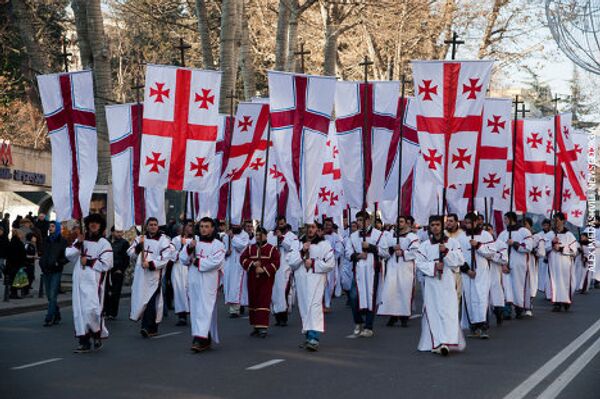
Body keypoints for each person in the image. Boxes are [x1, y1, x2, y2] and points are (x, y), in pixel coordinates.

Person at [416, 215, 466, 356]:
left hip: (447, 281)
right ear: (429, 227)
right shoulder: (424, 246)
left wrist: (446, 252)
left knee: (448, 310)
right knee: (433, 310)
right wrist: (433, 266)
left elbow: (460, 260)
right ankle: (436, 342)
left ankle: (447, 341)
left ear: (442, 226)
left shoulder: (453, 242)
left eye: (438, 224)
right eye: (433, 225)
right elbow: (419, 263)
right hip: (432, 283)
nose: (435, 227)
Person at [65, 214, 113, 353]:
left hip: (94, 282)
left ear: (100, 225)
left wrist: (90, 262)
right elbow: (69, 255)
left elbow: (107, 264)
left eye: (96, 223)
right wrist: (78, 243)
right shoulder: (81, 240)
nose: (93, 225)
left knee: (92, 310)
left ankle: (96, 334)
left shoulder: (104, 243)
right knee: (80, 312)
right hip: (79, 279)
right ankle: (83, 341)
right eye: (91, 222)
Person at [180, 217, 226, 353]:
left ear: (212, 228)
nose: (204, 229)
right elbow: (183, 259)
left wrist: (197, 262)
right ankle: (203, 337)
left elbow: (216, 262)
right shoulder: (194, 242)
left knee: (205, 308)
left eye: (207, 226)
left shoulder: (218, 244)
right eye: (201, 226)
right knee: (195, 308)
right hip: (194, 280)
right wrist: (189, 248)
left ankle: (200, 339)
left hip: (209, 281)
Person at [288, 221, 335, 351]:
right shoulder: (297, 243)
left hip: (317, 280)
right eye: (308, 227)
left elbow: (331, 264)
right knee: (304, 306)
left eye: (313, 227)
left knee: (314, 306)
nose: (310, 230)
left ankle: (314, 337)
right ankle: (309, 336)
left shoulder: (324, 244)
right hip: (302, 280)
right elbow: (291, 262)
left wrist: (314, 264)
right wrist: (302, 251)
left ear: (317, 229)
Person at [129, 217, 173, 338]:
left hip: (154, 275)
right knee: (143, 299)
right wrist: (139, 247)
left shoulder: (163, 240)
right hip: (141, 275)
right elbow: (130, 253)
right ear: (146, 226)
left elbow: (165, 257)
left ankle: (146, 327)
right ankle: (151, 327)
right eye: (150, 224)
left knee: (150, 300)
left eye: (155, 224)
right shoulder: (140, 238)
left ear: (158, 226)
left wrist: (151, 264)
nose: (153, 226)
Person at [345, 211, 387, 338]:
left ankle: (369, 326)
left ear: (368, 221)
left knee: (371, 297)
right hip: (358, 271)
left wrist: (371, 247)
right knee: (353, 296)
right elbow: (347, 252)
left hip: (372, 271)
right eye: (357, 220)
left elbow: (385, 252)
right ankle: (358, 322)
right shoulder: (353, 236)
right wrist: (357, 255)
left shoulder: (378, 235)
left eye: (362, 220)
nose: (359, 223)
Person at [457, 212, 496, 339]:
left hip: (482, 272)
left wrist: (478, 246)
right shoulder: (461, 238)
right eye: (466, 223)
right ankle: (473, 327)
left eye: (470, 223)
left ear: (476, 222)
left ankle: (483, 326)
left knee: (481, 297)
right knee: (468, 297)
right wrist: (467, 270)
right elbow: (458, 257)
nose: (467, 225)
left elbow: (491, 253)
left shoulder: (486, 235)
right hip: (468, 273)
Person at [378, 215, 420, 327]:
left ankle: (404, 316)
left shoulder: (412, 236)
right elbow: (383, 251)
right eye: (398, 221)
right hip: (392, 266)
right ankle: (393, 315)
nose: (399, 224)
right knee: (391, 290)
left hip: (406, 267)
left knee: (404, 291)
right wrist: (392, 249)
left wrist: (403, 253)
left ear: (407, 223)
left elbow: (416, 252)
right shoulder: (390, 236)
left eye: (401, 221)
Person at [240, 227, 280, 338]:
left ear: (266, 236)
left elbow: (276, 263)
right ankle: (256, 326)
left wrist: (264, 269)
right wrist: (252, 264)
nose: (258, 237)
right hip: (252, 280)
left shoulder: (272, 249)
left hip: (265, 281)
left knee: (263, 301)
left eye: (261, 235)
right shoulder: (250, 248)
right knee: (253, 301)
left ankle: (263, 327)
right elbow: (242, 259)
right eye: (257, 235)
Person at [497, 212, 532, 319]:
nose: (504, 221)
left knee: (518, 287)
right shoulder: (503, 234)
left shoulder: (524, 231)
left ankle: (519, 308)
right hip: (505, 265)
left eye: (506, 219)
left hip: (519, 264)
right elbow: (498, 250)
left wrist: (514, 243)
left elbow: (528, 247)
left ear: (511, 219)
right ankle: (507, 310)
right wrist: (503, 264)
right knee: (506, 287)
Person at [267, 216, 299, 326]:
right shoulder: (270, 235)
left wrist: (281, 238)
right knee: (273, 292)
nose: (280, 224)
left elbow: (292, 248)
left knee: (283, 291)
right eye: (278, 223)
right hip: (273, 267)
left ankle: (284, 316)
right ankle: (277, 315)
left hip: (285, 267)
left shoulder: (291, 236)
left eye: (282, 223)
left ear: (285, 223)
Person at [39, 221, 68, 326]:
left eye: (52, 226)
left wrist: (58, 263)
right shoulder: (45, 240)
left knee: (52, 295)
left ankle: (49, 317)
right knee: (49, 296)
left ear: (57, 228)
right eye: (49, 226)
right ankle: (57, 315)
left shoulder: (63, 241)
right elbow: (42, 253)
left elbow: (67, 257)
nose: (50, 228)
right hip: (46, 270)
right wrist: (41, 263)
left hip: (56, 271)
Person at [547, 212, 577, 312]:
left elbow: (574, 251)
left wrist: (560, 248)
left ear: (563, 221)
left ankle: (566, 300)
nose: (555, 222)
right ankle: (556, 303)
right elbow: (544, 248)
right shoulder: (550, 234)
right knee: (555, 282)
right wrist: (552, 244)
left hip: (565, 263)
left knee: (565, 282)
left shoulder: (569, 235)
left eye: (557, 220)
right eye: (553, 220)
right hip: (553, 262)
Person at [170, 220, 194, 326]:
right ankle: (182, 316)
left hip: (191, 268)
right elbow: (171, 253)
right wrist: (182, 248)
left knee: (191, 291)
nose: (191, 228)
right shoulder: (175, 240)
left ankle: (194, 314)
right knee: (180, 291)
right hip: (179, 267)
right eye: (189, 226)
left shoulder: (195, 240)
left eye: (192, 226)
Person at [223, 223, 250, 318]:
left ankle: (236, 309)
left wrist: (233, 237)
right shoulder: (226, 236)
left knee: (238, 286)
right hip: (229, 265)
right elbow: (222, 249)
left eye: (237, 226)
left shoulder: (244, 235)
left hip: (240, 265)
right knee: (230, 287)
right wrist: (226, 253)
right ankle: (235, 307)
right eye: (233, 226)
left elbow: (242, 247)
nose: (235, 227)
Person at [104, 227, 130, 320]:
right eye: (117, 232)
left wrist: (121, 269)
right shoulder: (105, 242)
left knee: (115, 292)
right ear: (112, 232)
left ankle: (112, 313)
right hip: (106, 270)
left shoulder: (124, 243)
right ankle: (106, 311)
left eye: (121, 232)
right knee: (105, 291)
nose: (119, 234)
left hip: (117, 270)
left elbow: (126, 258)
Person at [323, 218, 343, 311]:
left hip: (330, 264)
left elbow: (338, 250)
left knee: (330, 284)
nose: (327, 227)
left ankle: (327, 303)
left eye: (329, 225)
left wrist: (331, 257)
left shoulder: (335, 236)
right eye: (326, 225)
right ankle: (322, 303)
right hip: (320, 264)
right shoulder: (320, 235)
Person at [6, 229, 27, 300]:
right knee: (15, 280)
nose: (22, 235)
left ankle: (12, 293)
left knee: (12, 279)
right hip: (17, 264)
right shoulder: (18, 243)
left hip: (11, 264)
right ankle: (13, 294)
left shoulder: (11, 242)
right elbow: (21, 254)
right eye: (21, 234)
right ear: (18, 235)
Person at [23, 233, 37, 297]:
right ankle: (25, 292)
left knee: (31, 278)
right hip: (27, 264)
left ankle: (27, 291)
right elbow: (24, 255)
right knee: (27, 278)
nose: (35, 238)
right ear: (31, 238)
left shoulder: (33, 246)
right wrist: (32, 257)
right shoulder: (27, 245)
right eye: (34, 237)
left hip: (32, 264)